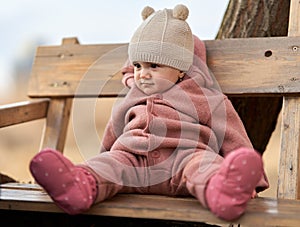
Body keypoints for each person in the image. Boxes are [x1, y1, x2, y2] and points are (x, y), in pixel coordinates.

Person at [30, 4, 269, 221]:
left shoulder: (204, 97)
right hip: (132, 159)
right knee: (109, 166)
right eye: (138, 66)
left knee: (205, 166)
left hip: (184, 157)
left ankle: (225, 192)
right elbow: (114, 130)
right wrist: (102, 158)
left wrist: (254, 185)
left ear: (180, 70)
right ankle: (79, 184)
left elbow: (231, 133)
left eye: (154, 66)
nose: (142, 74)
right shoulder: (132, 95)